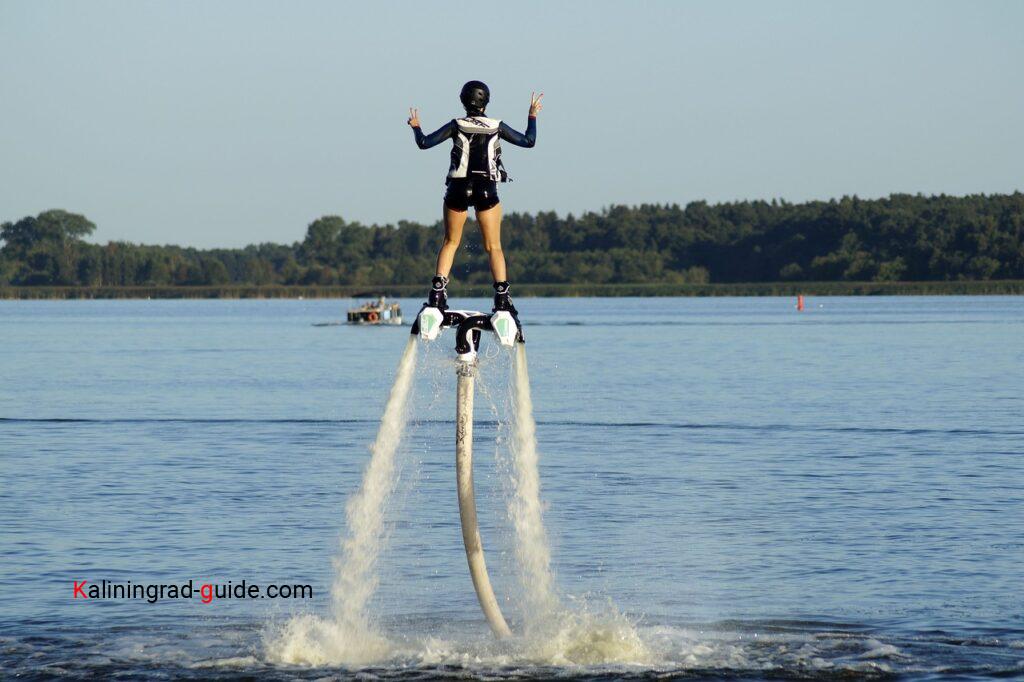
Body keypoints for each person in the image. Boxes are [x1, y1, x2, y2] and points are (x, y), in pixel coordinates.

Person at [407, 81, 543, 314]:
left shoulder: (456, 124)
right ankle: (502, 298)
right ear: (486, 101)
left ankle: (437, 294)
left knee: (450, 243)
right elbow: (529, 141)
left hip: (458, 188)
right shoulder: (496, 125)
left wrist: (416, 126)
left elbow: (424, 143)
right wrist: (532, 116)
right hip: (486, 189)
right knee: (494, 246)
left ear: (463, 100)